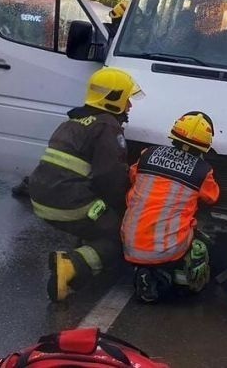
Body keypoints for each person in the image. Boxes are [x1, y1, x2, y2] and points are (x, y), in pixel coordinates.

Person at [28, 67, 143, 301]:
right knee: (121, 233)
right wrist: (127, 207)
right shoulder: (107, 126)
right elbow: (109, 177)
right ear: (113, 98)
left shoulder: (73, 122)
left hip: (41, 198)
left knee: (98, 218)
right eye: (127, 99)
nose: (130, 106)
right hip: (68, 203)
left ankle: (85, 249)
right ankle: (71, 267)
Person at [121, 111, 220, 303]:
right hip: (168, 249)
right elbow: (212, 197)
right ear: (205, 145)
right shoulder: (202, 170)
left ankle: (146, 272)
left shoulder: (147, 154)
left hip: (129, 239)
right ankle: (180, 283)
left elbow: (133, 176)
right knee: (202, 241)